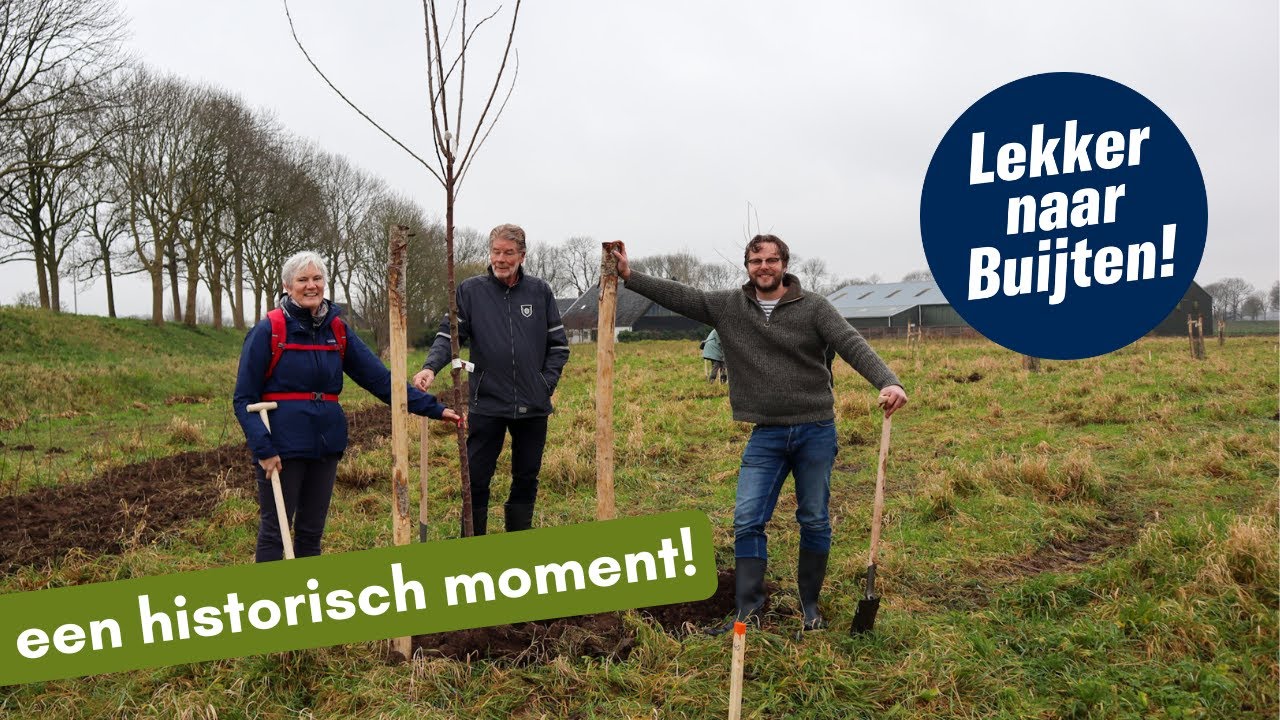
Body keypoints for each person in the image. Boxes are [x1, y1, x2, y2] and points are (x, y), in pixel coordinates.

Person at [613, 235, 907, 632]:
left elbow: (850, 342)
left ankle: (810, 607)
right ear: (747, 266)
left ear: (784, 264)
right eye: (756, 261)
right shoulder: (729, 306)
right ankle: (747, 611)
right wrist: (631, 276)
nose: (763, 267)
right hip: (766, 434)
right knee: (748, 519)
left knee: (815, 518)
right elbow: (683, 296)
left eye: (771, 260)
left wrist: (887, 382)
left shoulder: (814, 307)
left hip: (815, 429)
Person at [234, 251, 460, 562]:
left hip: (326, 444)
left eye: (317, 279)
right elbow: (243, 398)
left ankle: (307, 602)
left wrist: (432, 408)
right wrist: (263, 449)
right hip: (282, 448)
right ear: (288, 286)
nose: (311, 286)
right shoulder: (268, 330)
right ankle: (271, 606)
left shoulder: (336, 330)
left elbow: (380, 381)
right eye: (302, 280)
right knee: (277, 533)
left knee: (311, 534)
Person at [413, 224, 570, 536]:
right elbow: (449, 336)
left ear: (522, 256)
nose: (501, 259)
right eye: (496, 252)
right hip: (487, 403)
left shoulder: (540, 292)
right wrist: (431, 367)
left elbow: (559, 347)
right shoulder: (470, 292)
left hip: (532, 405)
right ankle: (473, 544)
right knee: (476, 478)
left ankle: (517, 542)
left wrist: (544, 385)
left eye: (508, 253)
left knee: (526, 476)